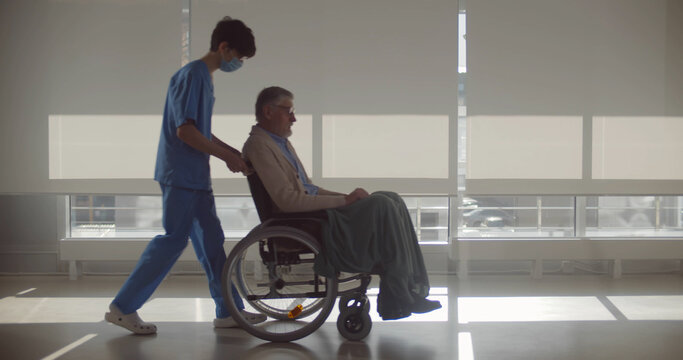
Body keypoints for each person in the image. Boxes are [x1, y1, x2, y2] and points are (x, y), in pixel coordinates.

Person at [104, 17, 266, 335]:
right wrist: (226, 157)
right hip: (181, 175)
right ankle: (122, 307)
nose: (239, 64)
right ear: (224, 48)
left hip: (194, 177)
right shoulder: (193, 75)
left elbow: (201, 130)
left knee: (212, 244)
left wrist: (234, 153)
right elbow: (186, 132)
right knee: (173, 240)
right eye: (239, 58)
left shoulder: (203, 79)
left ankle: (228, 310)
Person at [242, 86, 441, 320]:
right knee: (382, 205)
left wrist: (347, 199)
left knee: (390, 198)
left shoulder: (280, 143)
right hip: (299, 222)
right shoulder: (259, 145)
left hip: (313, 214)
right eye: (289, 111)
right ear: (268, 111)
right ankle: (399, 293)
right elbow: (287, 200)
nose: (294, 118)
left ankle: (408, 287)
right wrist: (344, 201)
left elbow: (309, 189)